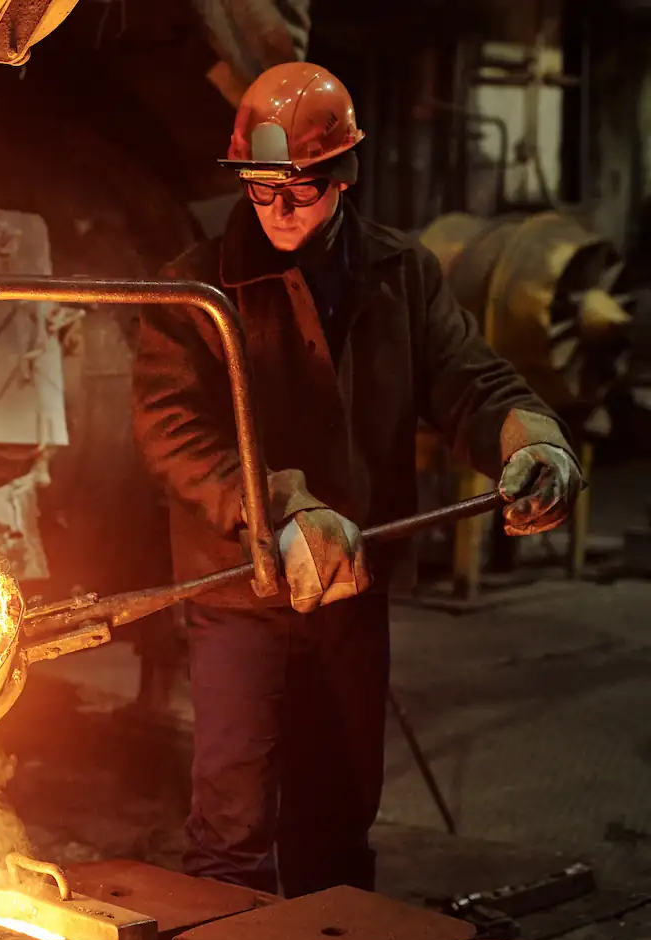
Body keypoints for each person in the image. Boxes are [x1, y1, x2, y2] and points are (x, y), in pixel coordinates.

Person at [132, 63, 584, 898]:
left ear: (342, 174)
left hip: (352, 585)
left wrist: (531, 439)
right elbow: (173, 430)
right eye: (260, 189)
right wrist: (279, 507)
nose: (278, 210)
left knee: (337, 819)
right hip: (240, 590)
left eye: (299, 189)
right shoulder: (193, 289)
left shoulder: (400, 274)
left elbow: (469, 380)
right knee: (233, 824)